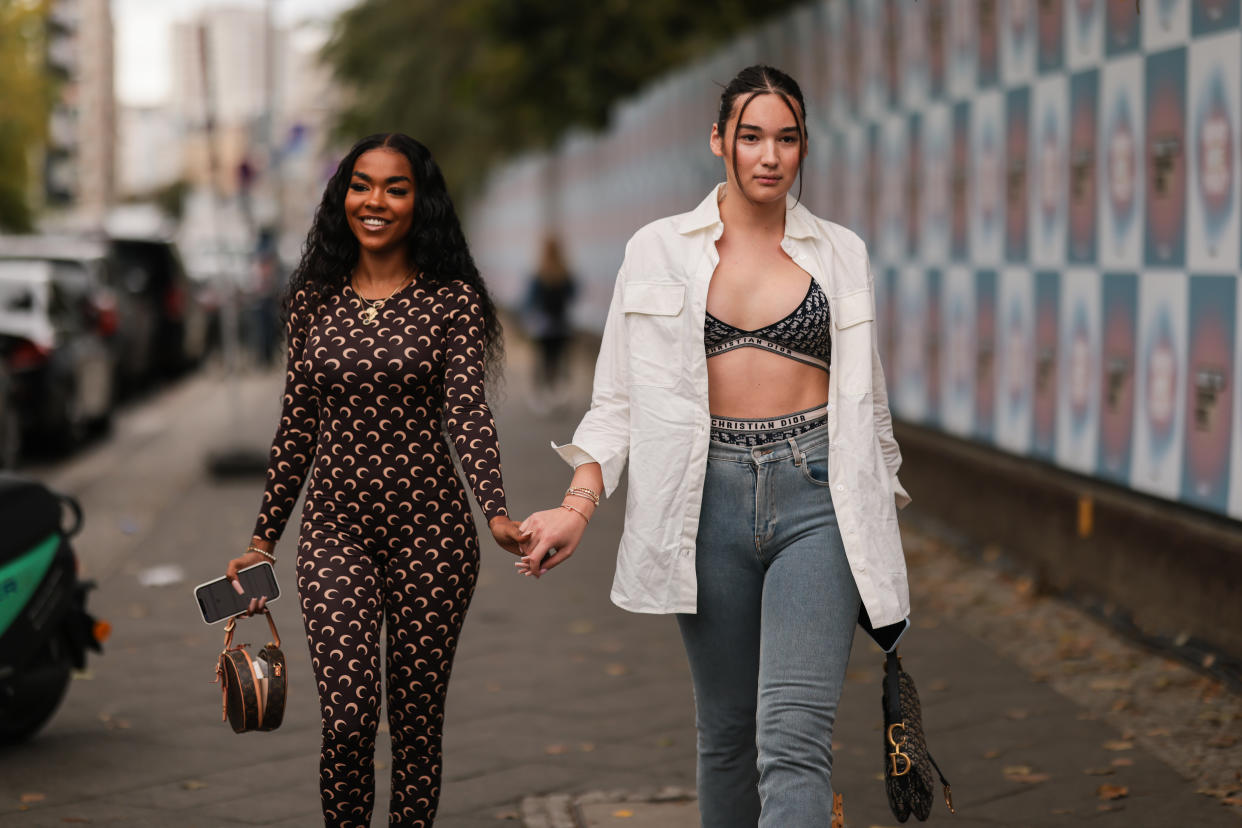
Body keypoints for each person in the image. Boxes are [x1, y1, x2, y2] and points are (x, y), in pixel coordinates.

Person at [516, 66, 912, 827]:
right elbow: (618, 400)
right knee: (728, 735)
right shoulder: (659, 249)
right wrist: (577, 506)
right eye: (752, 136)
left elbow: (872, 404)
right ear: (718, 141)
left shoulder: (842, 254)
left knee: (793, 738)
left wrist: (877, 521)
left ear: (803, 147)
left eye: (787, 138)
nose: (770, 155)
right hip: (704, 505)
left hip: (818, 498)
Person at [225, 132, 525, 827]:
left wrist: (498, 514)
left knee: (417, 729)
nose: (376, 201)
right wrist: (263, 540)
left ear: (421, 203)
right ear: (342, 196)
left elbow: (467, 413)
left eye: (395, 187)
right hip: (335, 534)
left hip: (436, 539)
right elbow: (296, 427)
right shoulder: (311, 302)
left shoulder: (451, 302)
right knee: (349, 716)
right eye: (362, 185)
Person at [521, 236, 577, 399]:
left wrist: (527, 319)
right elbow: (573, 295)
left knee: (543, 358)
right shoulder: (566, 273)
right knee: (559, 358)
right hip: (562, 324)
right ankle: (559, 391)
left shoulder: (539, 274)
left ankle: (543, 393)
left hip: (543, 325)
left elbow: (530, 301)